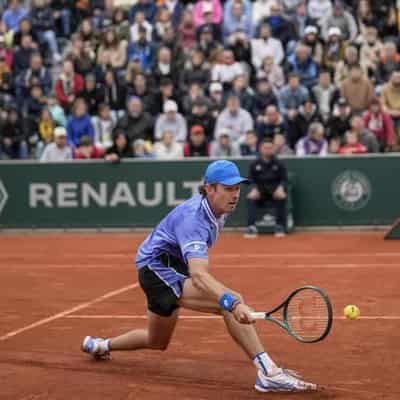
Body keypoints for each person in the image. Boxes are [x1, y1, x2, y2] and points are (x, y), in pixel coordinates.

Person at [81, 159, 316, 393]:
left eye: (237, 188)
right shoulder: (194, 219)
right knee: (230, 300)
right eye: (228, 189)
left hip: (171, 267)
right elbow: (200, 276)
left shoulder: (218, 209)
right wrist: (232, 304)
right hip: (157, 269)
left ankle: (101, 345)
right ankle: (269, 372)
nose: (235, 195)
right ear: (209, 188)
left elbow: (196, 270)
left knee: (157, 340)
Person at [245, 141, 288, 238]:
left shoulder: (279, 163)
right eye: (265, 148)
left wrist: (281, 188)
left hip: (275, 190)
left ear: (273, 149)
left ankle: (279, 226)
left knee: (282, 196)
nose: (268, 150)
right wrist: (254, 189)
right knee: (251, 197)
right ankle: (251, 227)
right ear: (260, 149)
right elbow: (250, 180)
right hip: (259, 191)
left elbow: (284, 180)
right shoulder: (254, 164)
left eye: (270, 148)